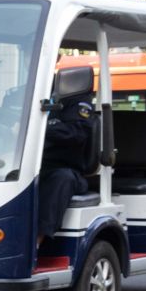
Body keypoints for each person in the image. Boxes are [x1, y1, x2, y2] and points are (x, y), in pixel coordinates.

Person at [37, 79, 98, 244]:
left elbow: (76, 133)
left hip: (64, 169)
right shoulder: (22, 92)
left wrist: (41, 127)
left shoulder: (73, 94)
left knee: (61, 179)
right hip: (27, 168)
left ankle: (36, 243)